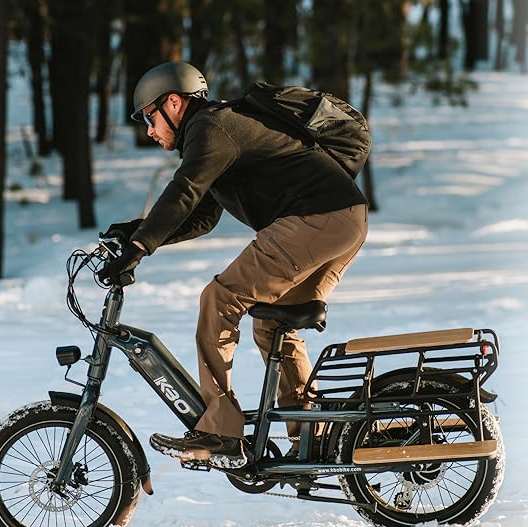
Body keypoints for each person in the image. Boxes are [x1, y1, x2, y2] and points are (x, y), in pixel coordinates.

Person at [97, 62, 368, 468]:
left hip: (316, 218)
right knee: (273, 323)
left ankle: (221, 431)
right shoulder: (217, 134)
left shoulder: (212, 128)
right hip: (344, 219)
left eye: (150, 118)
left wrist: (140, 246)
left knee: (219, 298)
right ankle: (313, 436)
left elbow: (184, 191)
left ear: (173, 102)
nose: (150, 131)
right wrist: (137, 231)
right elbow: (202, 216)